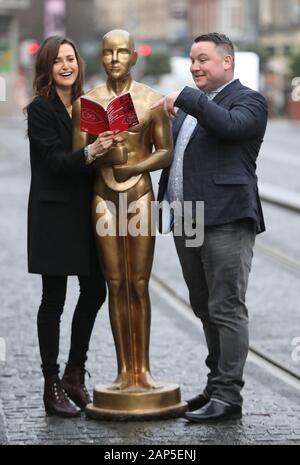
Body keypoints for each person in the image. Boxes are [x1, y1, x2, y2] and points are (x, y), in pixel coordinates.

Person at [153, 33, 268, 422]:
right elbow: (171, 155)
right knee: (203, 305)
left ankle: (229, 397)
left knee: (226, 307)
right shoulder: (189, 111)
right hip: (188, 217)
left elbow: (230, 128)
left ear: (227, 62)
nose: (195, 66)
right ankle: (216, 383)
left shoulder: (248, 101)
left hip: (226, 217)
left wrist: (188, 97)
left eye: (203, 59)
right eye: (192, 59)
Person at [72, 29, 173, 392]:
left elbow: (166, 151)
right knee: (115, 283)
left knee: (139, 283)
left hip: (139, 195)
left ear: (134, 56)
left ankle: (142, 370)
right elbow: (76, 160)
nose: (115, 59)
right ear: (100, 57)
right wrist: (97, 149)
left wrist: (136, 166)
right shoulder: (87, 103)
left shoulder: (153, 100)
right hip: (103, 197)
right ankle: (122, 370)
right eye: (108, 53)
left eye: (122, 53)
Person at [26, 36, 115, 417]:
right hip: (54, 213)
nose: (67, 65)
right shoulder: (41, 110)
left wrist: (112, 141)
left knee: (95, 289)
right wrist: (91, 152)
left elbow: (91, 157)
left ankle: (73, 374)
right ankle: (51, 384)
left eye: (71, 58)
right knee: (53, 301)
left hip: (85, 212)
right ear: (46, 68)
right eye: (58, 60)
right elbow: (56, 163)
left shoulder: (87, 105)